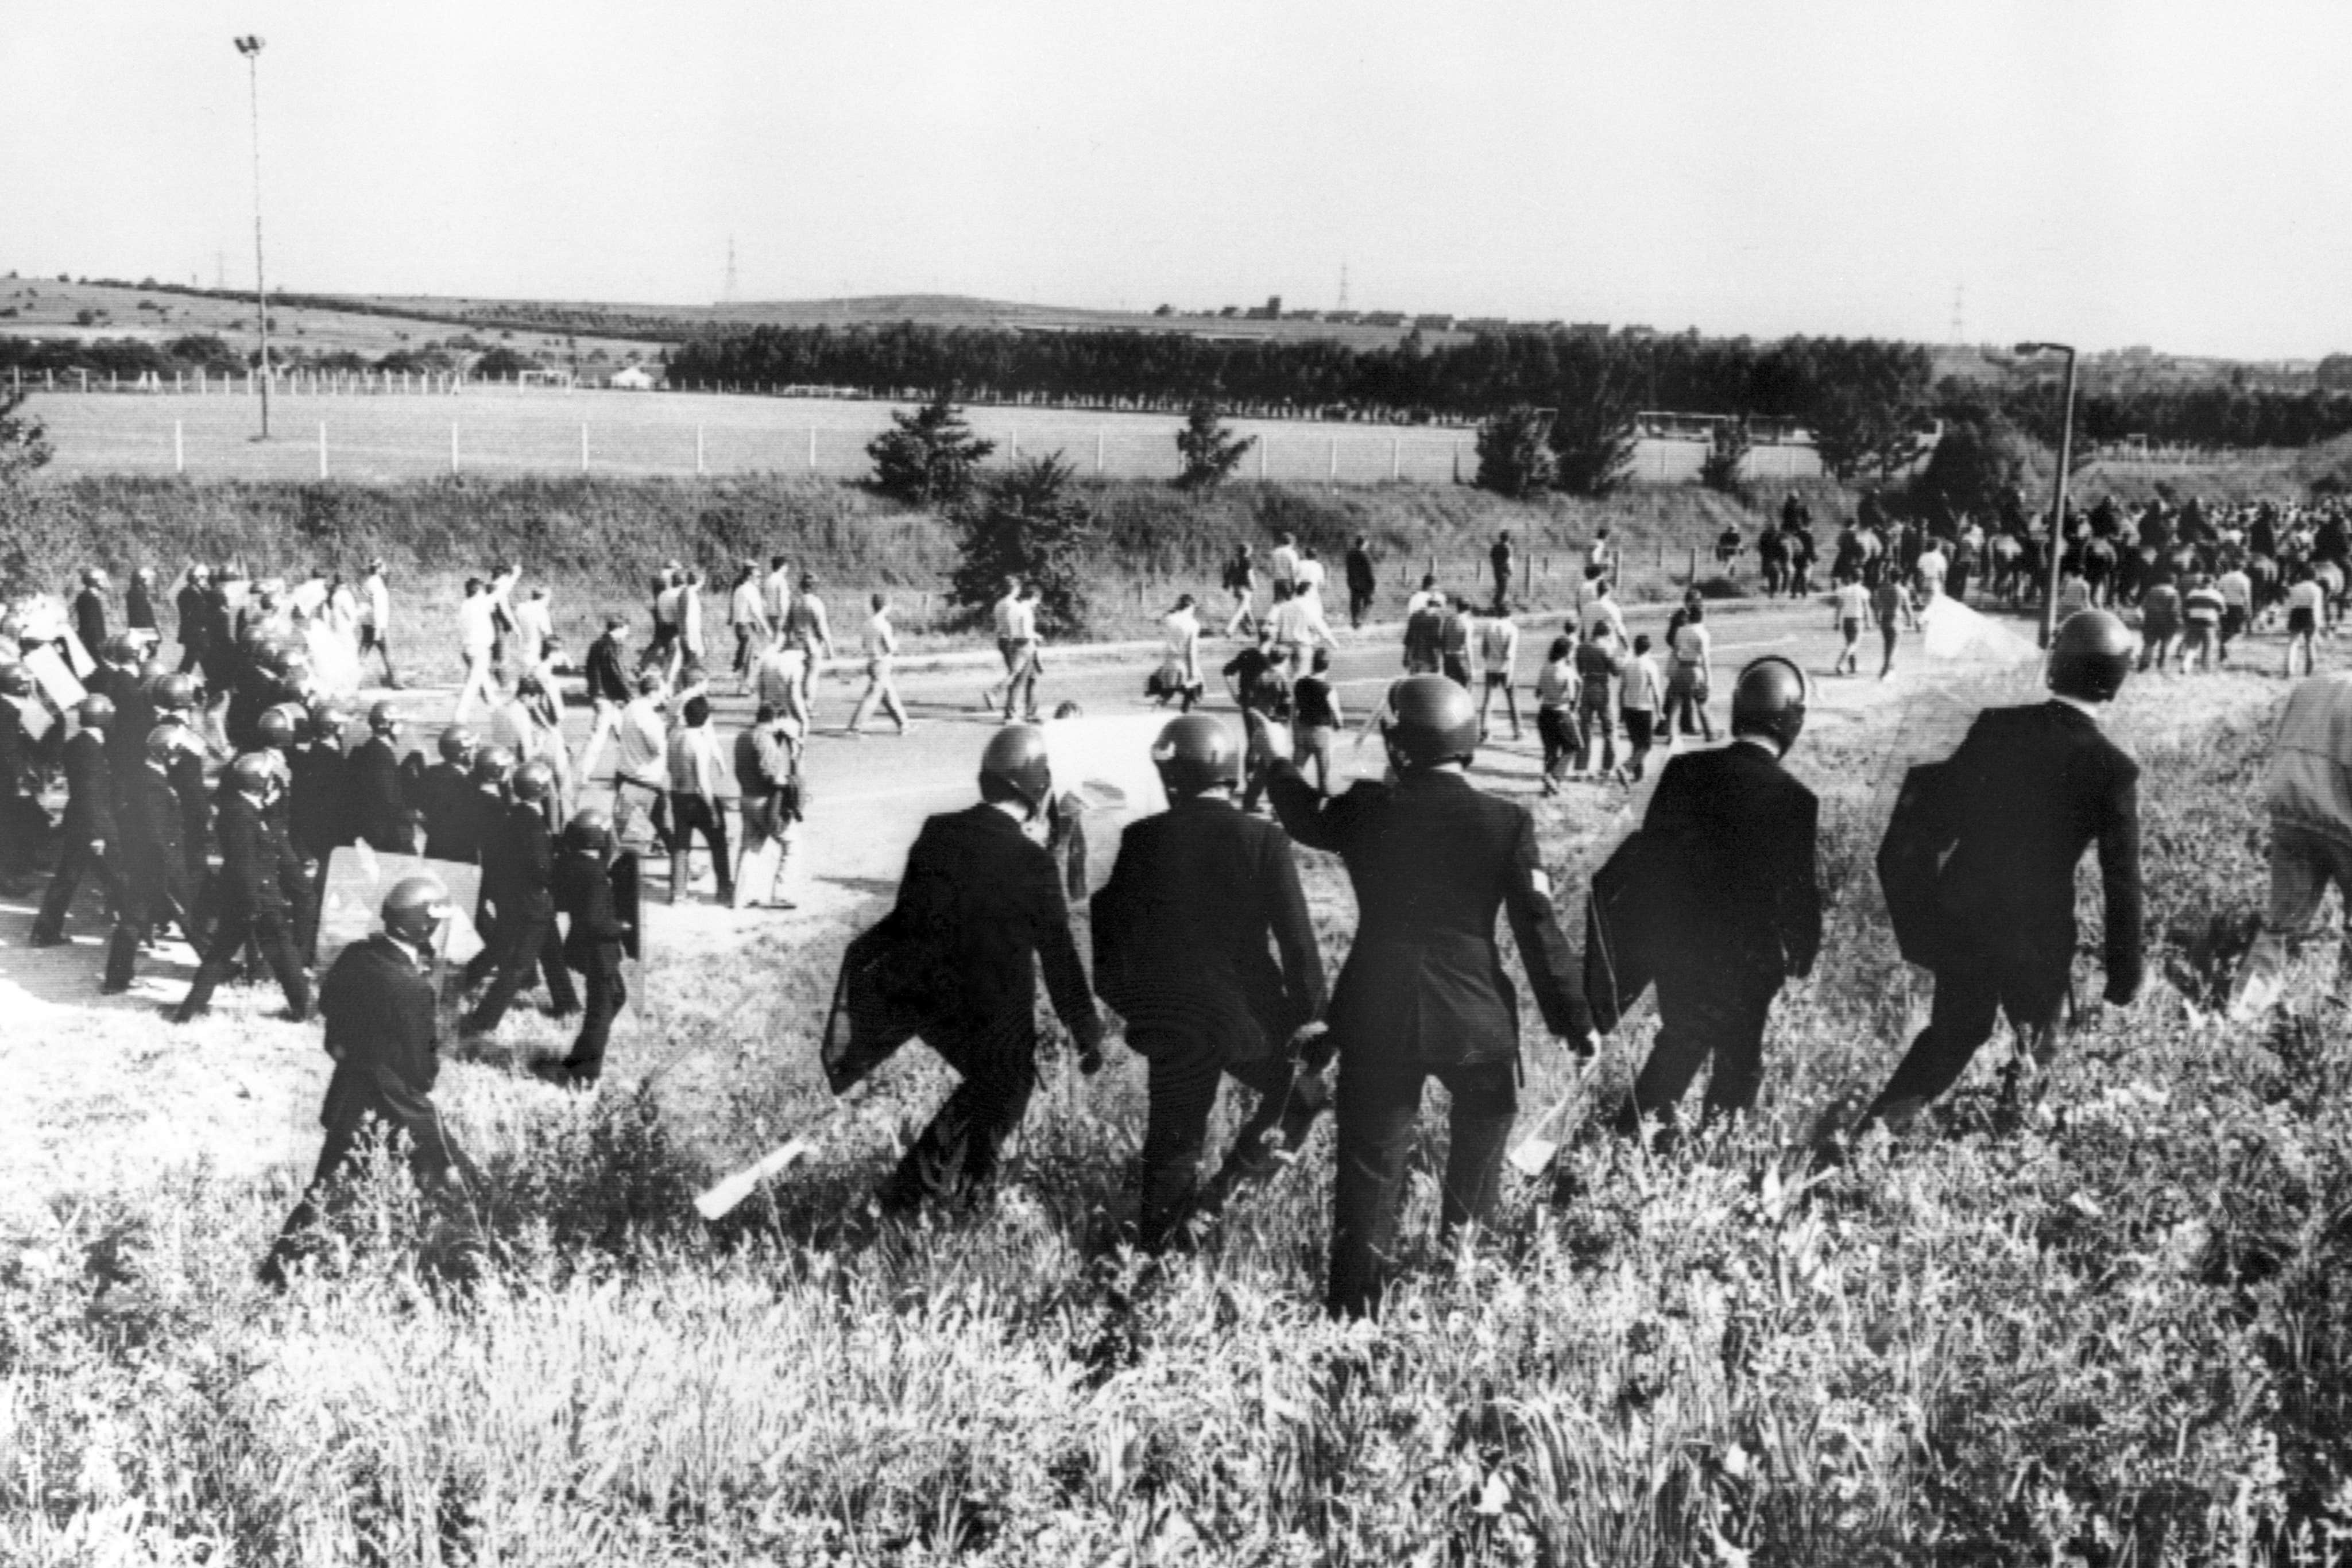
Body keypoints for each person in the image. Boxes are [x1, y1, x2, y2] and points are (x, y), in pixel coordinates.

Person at [1255, 675, 1593, 1318]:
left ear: (1397, 743)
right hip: (1475, 1018)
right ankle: (1464, 1301)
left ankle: (1354, 1317)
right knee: (1479, 1167)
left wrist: (1274, 755)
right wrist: (1574, 1020)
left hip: (1378, 1012)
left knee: (1369, 1172)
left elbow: (1302, 816)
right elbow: (1538, 930)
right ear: (1467, 740)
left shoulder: (1364, 808)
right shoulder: (1505, 821)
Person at [1839, 611, 2142, 1148]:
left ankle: (1865, 1143)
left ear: (2057, 665)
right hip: (2039, 934)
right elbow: (2123, 882)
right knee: (2040, 1044)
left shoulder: (1996, 727)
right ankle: (2008, 1150)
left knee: (1952, 1036)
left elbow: (1925, 824)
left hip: (1965, 918)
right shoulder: (2113, 768)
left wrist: (1923, 924)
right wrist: (2125, 971)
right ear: (2116, 679)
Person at [1091, 715, 1328, 1252]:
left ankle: (1156, 1255)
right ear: (1230, 771)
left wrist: (1137, 1006)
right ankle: (1217, 1206)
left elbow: (1106, 938)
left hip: (1172, 1019)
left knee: (1175, 1139)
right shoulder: (1262, 837)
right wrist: (1313, 1019)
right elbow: (1298, 942)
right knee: (1303, 1096)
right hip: (1251, 1019)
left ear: (1171, 777)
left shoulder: (1141, 838)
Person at [876, 725, 1104, 1214]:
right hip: (994, 1005)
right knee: (1006, 1084)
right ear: (1037, 790)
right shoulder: (1033, 863)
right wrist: (1085, 1027)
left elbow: (909, 916)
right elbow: (1058, 954)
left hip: (927, 996)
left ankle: (945, 1188)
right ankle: (936, 1189)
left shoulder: (937, 831)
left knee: (995, 1082)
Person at [1610, 659, 1821, 1143]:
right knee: (1740, 1058)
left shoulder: (1685, 769)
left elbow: (1652, 856)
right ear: (1792, 721)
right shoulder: (1795, 798)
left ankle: (1628, 1142)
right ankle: (1714, 1149)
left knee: (1679, 1040)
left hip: (1678, 945)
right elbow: (1798, 890)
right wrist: (1803, 952)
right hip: (1749, 959)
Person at [259, 876, 473, 1290]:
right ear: (423, 926)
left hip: (351, 1098)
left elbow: (330, 1015)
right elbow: (421, 1070)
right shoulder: (411, 987)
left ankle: (275, 1275)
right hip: (403, 1107)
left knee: (324, 1192)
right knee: (457, 1183)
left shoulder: (356, 956)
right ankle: (468, 1268)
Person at [2229, 673, 2352, 1020]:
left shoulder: (2316, 684)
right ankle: (2340, 1022)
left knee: (2281, 923)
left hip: (2292, 814)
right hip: (2345, 823)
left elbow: (2280, 741)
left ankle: (2243, 1013)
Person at [173, 751, 312, 1024]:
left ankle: (189, 1010)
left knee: (220, 953)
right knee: (284, 953)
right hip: (256, 896)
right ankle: (302, 1008)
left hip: (245, 896)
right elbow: (244, 863)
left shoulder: (244, 807)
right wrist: (255, 904)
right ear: (259, 782)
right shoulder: (240, 815)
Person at [461, 761, 579, 1039]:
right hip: (533, 905)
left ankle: (568, 1004)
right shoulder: (535, 827)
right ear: (540, 791)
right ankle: (483, 1022)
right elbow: (542, 871)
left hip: (512, 900)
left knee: (548, 954)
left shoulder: (509, 817)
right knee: (518, 966)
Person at [533, 810, 632, 1089]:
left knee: (617, 996)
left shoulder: (568, 864)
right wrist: (623, 927)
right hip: (599, 951)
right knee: (600, 1014)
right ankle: (584, 1075)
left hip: (584, 946)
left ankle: (580, 1055)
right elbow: (595, 921)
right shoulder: (596, 875)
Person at [100, 724, 199, 996]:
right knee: (183, 914)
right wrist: (169, 870)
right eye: (177, 752)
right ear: (166, 753)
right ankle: (216, 967)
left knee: (135, 919)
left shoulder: (148, 776)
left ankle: (116, 979)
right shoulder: (153, 784)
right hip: (156, 864)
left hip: (145, 863)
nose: (180, 758)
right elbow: (157, 835)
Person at [28, 696, 118, 948]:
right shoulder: (91, 748)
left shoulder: (78, 743)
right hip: (92, 824)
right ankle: (137, 930)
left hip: (79, 821)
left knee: (68, 878)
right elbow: (91, 792)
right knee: (120, 877)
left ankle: (44, 932)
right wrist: (98, 834)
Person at [664, 694, 734, 905]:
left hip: (678, 794)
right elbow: (703, 782)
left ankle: (678, 893)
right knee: (718, 842)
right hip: (696, 797)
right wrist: (712, 809)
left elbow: (668, 767)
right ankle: (723, 889)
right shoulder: (699, 743)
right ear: (705, 718)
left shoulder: (674, 736)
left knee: (681, 844)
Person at [733, 704, 803, 909]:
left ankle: (741, 897)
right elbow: (772, 776)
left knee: (750, 848)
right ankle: (782, 894)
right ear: (777, 719)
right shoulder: (766, 741)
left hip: (747, 798)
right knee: (792, 845)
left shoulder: (743, 737)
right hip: (766, 802)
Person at [610, 672, 672, 853]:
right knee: (667, 826)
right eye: (662, 691)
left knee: (617, 830)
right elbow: (657, 749)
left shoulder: (631, 707)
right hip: (646, 781)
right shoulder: (650, 718)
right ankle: (682, 864)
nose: (664, 696)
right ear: (653, 692)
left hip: (625, 776)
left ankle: (603, 866)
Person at [347, 701, 417, 854]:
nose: (400, 727)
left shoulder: (371, 749)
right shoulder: (381, 755)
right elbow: (387, 798)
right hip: (390, 832)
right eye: (395, 722)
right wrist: (412, 815)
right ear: (385, 725)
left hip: (377, 829)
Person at [576, 615, 635, 782]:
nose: (626, 634)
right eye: (626, 630)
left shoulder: (596, 644)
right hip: (607, 698)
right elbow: (617, 673)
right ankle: (582, 773)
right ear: (620, 628)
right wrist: (629, 696)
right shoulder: (612, 647)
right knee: (599, 737)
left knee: (623, 734)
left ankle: (629, 771)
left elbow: (590, 670)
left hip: (601, 695)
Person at [846, 593, 913, 737]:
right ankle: (855, 727)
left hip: (871, 661)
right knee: (873, 696)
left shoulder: (867, 624)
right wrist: (896, 644)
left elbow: (864, 644)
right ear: (886, 606)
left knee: (889, 696)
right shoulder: (884, 625)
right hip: (882, 662)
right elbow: (889, 647)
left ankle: (904, 725)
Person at [416, 727, 480, 862]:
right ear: (463, 752)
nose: (476, 752)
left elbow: (422, 812)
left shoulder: (431, 773)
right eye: (474, 748)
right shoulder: (464, 782)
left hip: (435, 847)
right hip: (460, 852)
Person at [1291, 648, 1344, 796]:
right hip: (1320, 734)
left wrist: (1294, 730)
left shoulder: (1300, 683)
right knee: (1323, 778)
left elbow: (1294, 709)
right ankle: (1323, 811)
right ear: (1328, 665)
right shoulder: (1328, 689)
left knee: (1296, 773)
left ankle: (1283, 807)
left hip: (1302, 730)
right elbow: (1336, 714)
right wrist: (1339, 725)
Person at [1664, 601, 1715, 741]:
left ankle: (1671, 734)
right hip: (1695, 669)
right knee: (1701, 701)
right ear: (1702, 616)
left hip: (1681, 667)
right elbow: (1705, 658)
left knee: (1676, 702)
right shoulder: (1703, 634)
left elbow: (1676, 650)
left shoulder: (1681, 630)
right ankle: (1709, 733)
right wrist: (1709, 679)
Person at [1573, 625, 1619, 780]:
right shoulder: (1605, 647)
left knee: (1584, 729)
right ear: (1606, 634)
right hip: (1601, 688)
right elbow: (1616, 671)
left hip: (1586, 688)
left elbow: (1579, 670)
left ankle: (1581, 769)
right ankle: (1607, 767)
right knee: (1608, 728)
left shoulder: (1581, 647)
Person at [1533, 635, 1577, 795]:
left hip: (1544, 713)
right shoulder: (1567, 671)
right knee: (1572, 747)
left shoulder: (1545, 668)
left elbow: (1537, 693)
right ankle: (1555, 776)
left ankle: (1548, 787)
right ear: (1566, 653)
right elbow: (1571, 698)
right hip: (1560, 713)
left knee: (1550, 751)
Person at [1618, 633, 1664, 784]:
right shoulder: (1651, 665)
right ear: (1649, 649)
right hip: (1644, 708)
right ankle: (1627, 767)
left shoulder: (1628, 664)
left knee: (1637, 744)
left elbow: (1621, 690)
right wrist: (1660, 712)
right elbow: (1656, 691)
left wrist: (1621, 712)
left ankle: (1638, 776)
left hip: (1629, 708)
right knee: (1646, 745)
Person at [453, 577, 500, 724]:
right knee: (473, 685)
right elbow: (500, 593)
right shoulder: (480, 603)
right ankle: (459, 716)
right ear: (478, 591)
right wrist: (514, 576)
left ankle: (498, 708)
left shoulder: (466, 604)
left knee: (484, 682)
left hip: (469, 649)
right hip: (479, 649)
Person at [1151, 594, 1206, 712]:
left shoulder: (1168, 619)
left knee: (1167, 694)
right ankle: (1185, 718)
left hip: (1169, 664)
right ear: (1191, 607)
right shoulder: (1193, 624)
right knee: (1195, 693)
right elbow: (1191, 652)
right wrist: (1193, 674)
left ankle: (1152, 714)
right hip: (1184, 665)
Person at [1474, 607, 1522, 742]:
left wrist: (1491, 660)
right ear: (1510, 614)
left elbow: (1484, 651)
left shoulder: (1489, 626)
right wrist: (1510, 671)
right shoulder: (1512, 629)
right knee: (1512, 699)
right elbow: (1509, 654)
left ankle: (1484, 731)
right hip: (1505, 667)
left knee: (1488, 699)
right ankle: (1517, 730)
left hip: (1491, 667)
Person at [999, 582, 1042, 725]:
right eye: (1037, 600)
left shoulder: (1014, 609)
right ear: (1034, 597)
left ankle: (1026, 712)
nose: (1038, 603)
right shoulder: (1025, 611)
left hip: (1014, 644)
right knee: (1022, 680)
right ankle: (1012, 714)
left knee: (1029, 679)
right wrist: (1036, 637)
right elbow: (1026, 632)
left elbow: (1012, 630)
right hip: (1025, 646)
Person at [357, 559, 399, 688]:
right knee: (386, 653)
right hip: (376, 625)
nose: (386, 570)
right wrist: (378, 628)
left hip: (369, 624)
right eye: (384, 568)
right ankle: (394, 681)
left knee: (363, 654)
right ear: (379, 569)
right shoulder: (377, 585)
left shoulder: (368, 583)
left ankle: (353, 680)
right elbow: (378, 607)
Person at [727, 563, 770, 686]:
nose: (759, 579)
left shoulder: (739, 589)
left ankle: (742, 679)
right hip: (747, 626)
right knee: (751, 657)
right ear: (750, 577)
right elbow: (756, 612)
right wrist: (766, 627)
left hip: (740, 626)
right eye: (757, 576)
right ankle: (747, 683)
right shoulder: (751, 590)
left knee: (750, 655)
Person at [2181, 574, 2226, 673]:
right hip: (2209, 623)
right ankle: (2205, 669)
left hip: (2193, 622)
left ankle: (2186, 665)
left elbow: (2186, 608)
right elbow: (2223, 611)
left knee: (2192, 646)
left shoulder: (2193, 593)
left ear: (2202, 582)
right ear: (2213, 584)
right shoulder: (2217, 595)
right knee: (2207, 646)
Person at [174, 564, 214, 676]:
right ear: (197, 578)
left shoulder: (186, 593)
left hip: (191, 633)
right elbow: (199, 615)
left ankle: (180, 677)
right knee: (192, 662)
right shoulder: (193, 594)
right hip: (197, 634)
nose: (206, 581)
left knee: (191, 660)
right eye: (204, 578)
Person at [2287, 565, 2324, 678]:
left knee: (2293, 642)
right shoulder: (2317, 589)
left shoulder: (2295, 588)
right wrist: (2318, 623)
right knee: (2310, 643)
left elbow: (2291, 604)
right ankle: (2308, 672)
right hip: (2310, 614)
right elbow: (2317, 607)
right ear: (2314, 577)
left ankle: (2289, 669)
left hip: (2296, 613)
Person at [1869, 572, 1905, 681]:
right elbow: (1907, 607)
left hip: (1885, 618)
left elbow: (1876, 605)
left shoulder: (1883, 590)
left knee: (1888, 646)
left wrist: (1876, 617)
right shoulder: (1902, 590)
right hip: (1896, 619)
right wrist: (1911, 619)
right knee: (1894, 647)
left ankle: (1891, 668)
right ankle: (1885, 670)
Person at [1832, 576, 1869, 676]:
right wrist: (1869, 621)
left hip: (1846, 620)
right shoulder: (1863, 591)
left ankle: (1853, 666)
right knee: (1854, 644)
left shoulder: (1844, 590)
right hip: (1857, 620)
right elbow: (1866, 608)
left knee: (1850, 644)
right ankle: (1840, 663)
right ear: (1861, 579)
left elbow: (1839, 608)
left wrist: (1837, 622)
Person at [1222, 544, 1258, 639]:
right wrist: (1253, 585)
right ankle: (1229, 630)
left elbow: (1229, 574)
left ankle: (1251, 631)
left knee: (1247, 611)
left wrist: (1227, 585)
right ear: (1247, 551)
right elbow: (1249, 574)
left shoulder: (1235, 561)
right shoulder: (1247, 561)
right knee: (1240, 611)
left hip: (1236, 588)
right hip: (1245, 589)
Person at [74, 567, 110, 659]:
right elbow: (93, 625)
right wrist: (100, 643)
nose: (106, 582)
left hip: (89, 640)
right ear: (95, 582)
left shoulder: (85, 596)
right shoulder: (90, 598)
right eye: (103, 580)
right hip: (93, 642)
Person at [1344, 535, 1378, 628]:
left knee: (1355, 602)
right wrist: (1373, 584)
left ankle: (1354, 621)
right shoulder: (1365, 555)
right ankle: (1360, 620)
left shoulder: (1350, 554)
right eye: (1367, 543)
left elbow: (1348, 568)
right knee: (1369, 601)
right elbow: (1369, 571)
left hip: (1352, 582)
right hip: (1364, 583)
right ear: (1364, 544)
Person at [1489, 530, 1515, 611]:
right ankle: (1497, 607)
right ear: (1508, 538)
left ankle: (1497, 606)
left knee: (1499, 589)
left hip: (1496, 571)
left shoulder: (1495, 547)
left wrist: (1495, 567)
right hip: (1504, 572)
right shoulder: (1508, 547)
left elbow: (1492, 558)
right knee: (1503, 590)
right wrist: (1511, 570)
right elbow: (1509, 560)